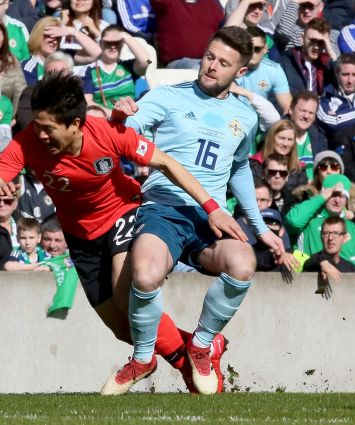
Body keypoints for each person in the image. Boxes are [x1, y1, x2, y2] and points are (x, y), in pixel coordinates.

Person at [0, 72, 245, 395]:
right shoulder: (27, 141)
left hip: (124, 212)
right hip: (81, 239)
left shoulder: (107, 133)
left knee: (124, 292)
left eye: (48, 128)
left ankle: (182, 368)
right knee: (125, 328)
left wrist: (211, 206)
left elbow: (167, 164)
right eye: (37, 125)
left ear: (75, 124)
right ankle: (196, 356)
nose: (40, 134)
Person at [109, 26, 286, 395]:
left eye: (223, 62)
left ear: (240, 72)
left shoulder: (245, 116)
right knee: (144, 275)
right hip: (164, 208)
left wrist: (260, 227)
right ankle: (143, 358)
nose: (212, 66)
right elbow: (124, 131)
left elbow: (239, 168)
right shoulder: (167, 97)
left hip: (211, 217)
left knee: (243, 263)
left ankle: (202, 344)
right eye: (209, 56)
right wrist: (122, 114)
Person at [285, 173, 355, 271]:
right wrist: (321, 197)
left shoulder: (351, 226)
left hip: (342, 282)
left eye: (343, 196)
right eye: (333, 195)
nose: (337, 200)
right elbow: (293, 221)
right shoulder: (309, 219)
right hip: (308, 278)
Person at [83, 25, 151, 117]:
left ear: (122, 44)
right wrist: (113, 114)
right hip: (105, 117)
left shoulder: (128, 67)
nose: (113, 46)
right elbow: (88, 102)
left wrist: (125, 36)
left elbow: (146, 60)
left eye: (117, 42)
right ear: (101, 43)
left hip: (131, 115)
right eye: (108, 42)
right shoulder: (90, 71)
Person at [278, 17, 336, 96]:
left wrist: (330, 50)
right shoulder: (286, 62)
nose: (316, 47)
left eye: (321, 42)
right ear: (302, 38)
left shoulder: (326, 65)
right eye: (312, 41)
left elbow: (341, 78)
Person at [316, 53, 355, 149]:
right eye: (345, 75)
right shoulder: (326, 98)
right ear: (337, 74)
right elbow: (332, 123)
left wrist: (340, 115)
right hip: (338, 155)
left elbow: (338, 122)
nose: (350, 80)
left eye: (354, 75)